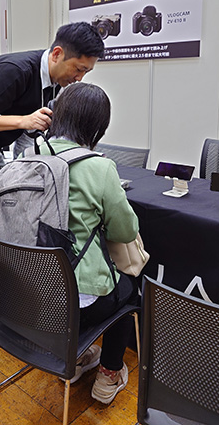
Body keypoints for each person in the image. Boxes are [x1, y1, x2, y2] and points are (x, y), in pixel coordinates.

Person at [0, 22, 104, 228]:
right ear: (57, 54)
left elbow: (29, 133)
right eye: (79, 69)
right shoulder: (15, 70)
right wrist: (23, 120)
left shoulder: (53, 83)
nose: (79, 78)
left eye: (86, 72)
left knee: (6, 207)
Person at [42, 83, 139, 404]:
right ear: (98, 126)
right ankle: (109, 376)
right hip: (79, 300)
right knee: (129, 289)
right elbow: (125, 231)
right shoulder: (99, 167)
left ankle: (72, 361)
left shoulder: (31, 155)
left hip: (32, 294)